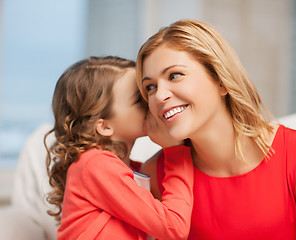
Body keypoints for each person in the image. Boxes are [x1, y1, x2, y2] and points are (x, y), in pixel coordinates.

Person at [136, 19, 296, 239]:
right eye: (150, 87)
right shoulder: (155, 175)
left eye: (174, 75)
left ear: (221, 80)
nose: (159, 96)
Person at [44, 56, 193, 240]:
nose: (152, 101)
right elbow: (173, 228)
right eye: (139, 99)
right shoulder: (96, 165)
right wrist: (175, 150)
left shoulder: (132, 169)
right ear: (105, 126)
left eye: (148, 91)